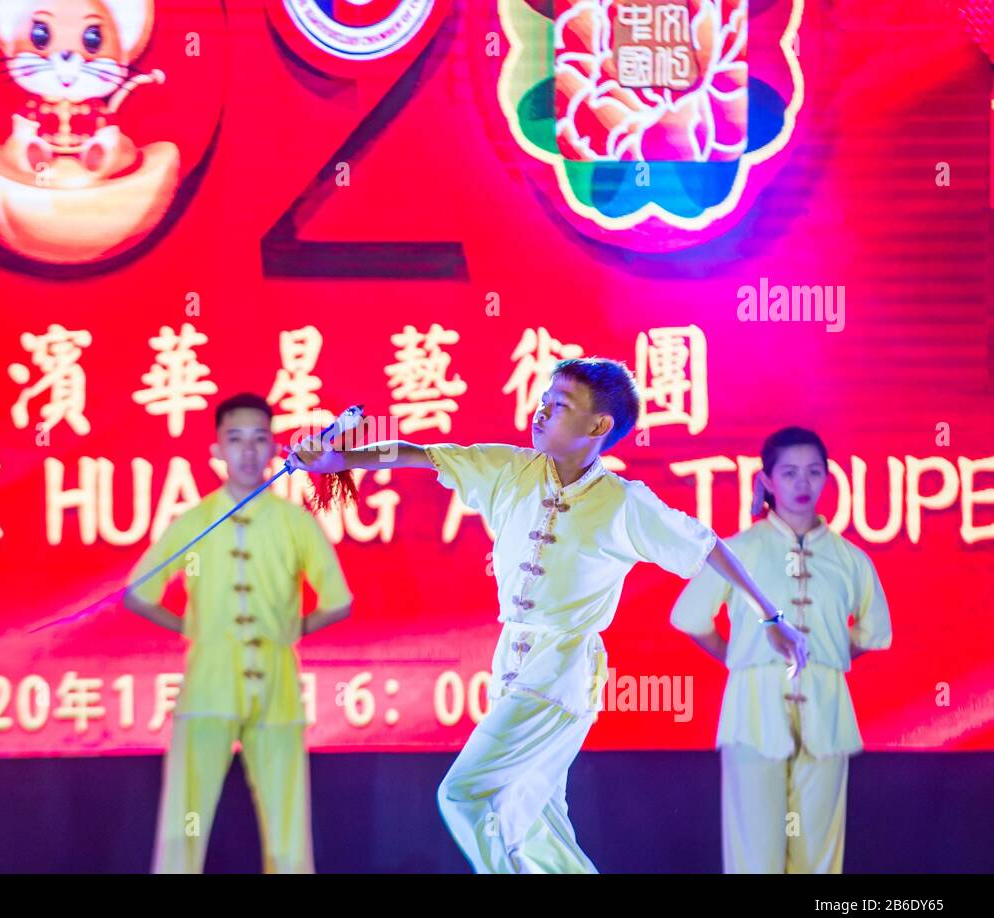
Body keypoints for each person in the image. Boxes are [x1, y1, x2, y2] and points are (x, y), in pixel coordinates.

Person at [288, 357, 808, 873]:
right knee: (537, 824)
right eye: (544, 400)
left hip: (561, 672)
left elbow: (706, 547)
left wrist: (771, 617)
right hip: (511, 666)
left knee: (465, 796)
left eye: (560, 406)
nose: (541, 411)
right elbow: (421, 455)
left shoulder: (623, 503)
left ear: (599, 426)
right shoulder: (509, 470)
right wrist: (344, 459)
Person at [124, 392, 354, 873]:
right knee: (185, 819)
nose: (248, 452)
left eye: (259, 440)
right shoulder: (195, 522)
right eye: (235, 440)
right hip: (207, 688)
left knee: (287, 825)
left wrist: (289, 629)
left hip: (277, 691)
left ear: (273, 447)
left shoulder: (295, 522)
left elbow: (339, 601)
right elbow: (138, 593)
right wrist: (197, 628)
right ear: (217, 451)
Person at [670, 426, 891, 873]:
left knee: (819, 852)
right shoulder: (738, 550)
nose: (802, 483)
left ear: (828, 478)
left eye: (813, 472)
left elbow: (873, 633)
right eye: (789, 473)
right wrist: (743, 659)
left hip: (827, 708)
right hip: (753, 706)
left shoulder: (850, 559)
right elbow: (691, 618)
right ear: (767, 481)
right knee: (755, 850)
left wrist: (824, 658)